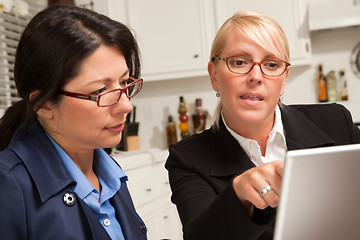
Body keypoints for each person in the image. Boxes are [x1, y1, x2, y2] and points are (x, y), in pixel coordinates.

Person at [165, 11, 360, 240]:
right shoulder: (187, 158)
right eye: (239, 62)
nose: (256, 76)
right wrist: (238, 194)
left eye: (271, 64)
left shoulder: (336, 122)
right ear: (214, 75)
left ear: (284, 79)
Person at [0, 5, 147, 240]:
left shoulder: (109, 173)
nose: (126, 106)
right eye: (100, 90)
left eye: (124, 83)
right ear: (43, 104)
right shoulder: (9, 183)